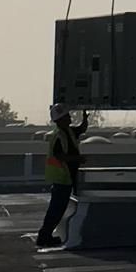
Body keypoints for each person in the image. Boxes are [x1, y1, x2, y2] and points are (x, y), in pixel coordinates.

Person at [36, 102, 88, 247]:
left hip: (66, 177)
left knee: (58, 209)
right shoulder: (59, 136)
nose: (70, 117)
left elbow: (81, 129)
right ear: (61, 119)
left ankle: (45, 235)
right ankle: (44, 236)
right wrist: (78, 159)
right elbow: (60, 156)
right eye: (67, 116)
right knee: (56, 209)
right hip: (62, 177)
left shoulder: (68, 132)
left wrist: (85, 118)